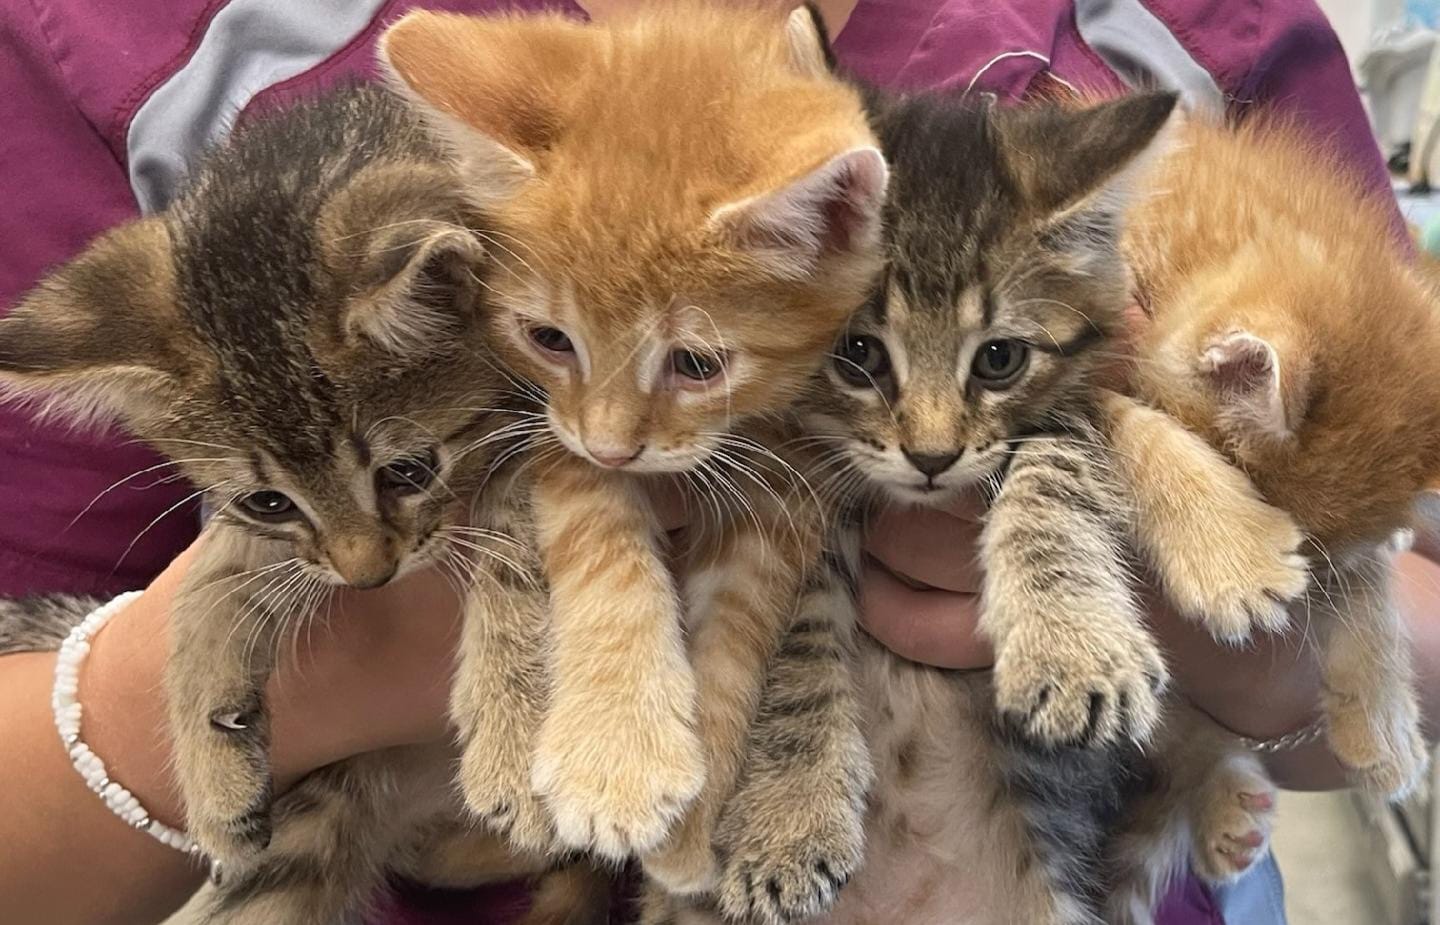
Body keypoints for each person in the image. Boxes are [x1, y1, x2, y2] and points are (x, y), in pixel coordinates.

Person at [0, 1, 1428, 924]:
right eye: (546, 340)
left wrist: (1256, 644)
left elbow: (1397, 558)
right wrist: (334, 668)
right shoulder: (140, 41)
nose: (608, 432)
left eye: (687, 366)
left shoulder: (1183, 37)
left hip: (1051, 848)